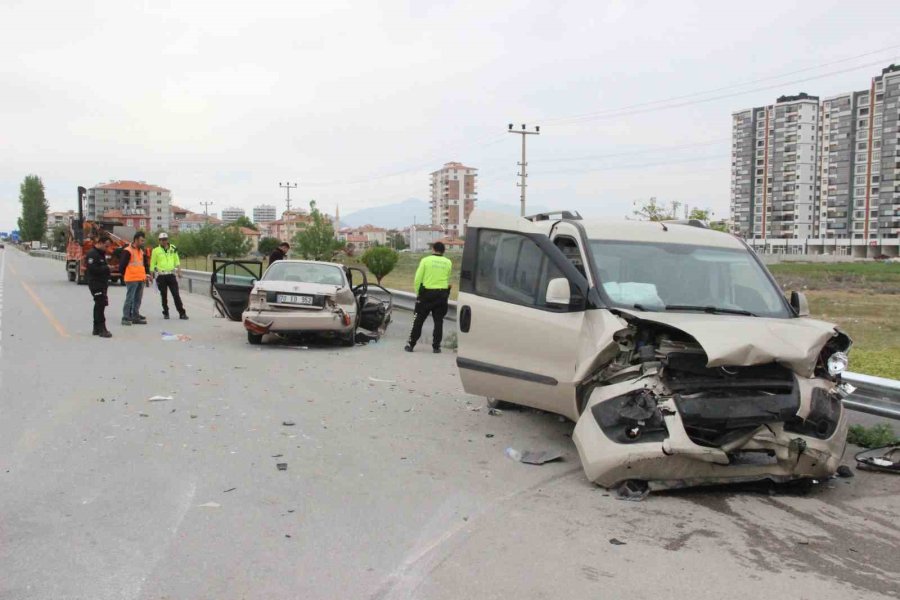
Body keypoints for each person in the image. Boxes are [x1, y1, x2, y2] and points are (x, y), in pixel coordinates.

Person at [405, 241, 453, 354]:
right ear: (443, 251)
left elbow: (418, 278)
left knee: (419, 320)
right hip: (442, 295)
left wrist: (418, 293)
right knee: (438, 321)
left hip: (426, 295)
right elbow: (447, 277)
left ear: (433, 249)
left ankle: (411, 344)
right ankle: (436, 347)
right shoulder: (448, 262)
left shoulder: (425, 260)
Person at [150, 232, 188, 320]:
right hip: (161, 276)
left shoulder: (173, 248)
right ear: (159, 241)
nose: (164, 241)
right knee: (164, 295)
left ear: (167, 240)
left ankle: (182, 313)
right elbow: (152, 263)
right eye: (162, 240)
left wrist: (179, 271)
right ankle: (166, 312)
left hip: (171, 275)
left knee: (176, 294)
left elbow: (177, 260)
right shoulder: (155, 250)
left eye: (165, 239)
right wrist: (151, 275)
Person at [120, 231, 150, 326]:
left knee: (138, 299)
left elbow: (144, 264)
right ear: (136, 240)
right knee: (130, 298)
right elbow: (122, 266)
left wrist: (147, 274)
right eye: (141, 240)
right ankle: (125, 317)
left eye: (143, 241)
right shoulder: (128, 250)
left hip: (141, 278)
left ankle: (135, 316)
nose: (143, 242)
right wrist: (127, 275)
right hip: (132, 279)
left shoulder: (141, 251)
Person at [85, 235, 113, 338]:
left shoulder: (101, 254)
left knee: (100, 304)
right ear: (100, 243)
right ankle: (102, 329)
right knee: (100, 304)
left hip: (102, 283)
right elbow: (93, 269)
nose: (107, 248)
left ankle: (96, 328)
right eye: (106, 246)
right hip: (95, 283)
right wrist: (106, 268)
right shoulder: (92, 254)